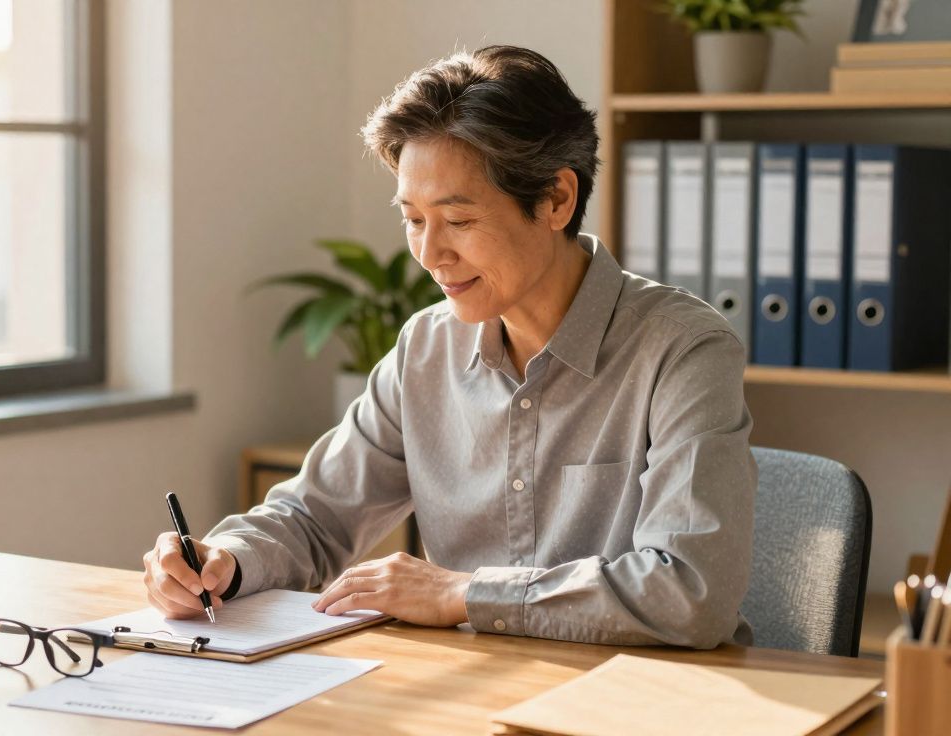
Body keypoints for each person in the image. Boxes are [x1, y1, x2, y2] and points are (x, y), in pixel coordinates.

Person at [142, 45, 755, 648]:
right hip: (474, 687)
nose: (430, 255)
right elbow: (315, 517)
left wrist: (465, 594)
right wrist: (226, 560)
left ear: (556, 200)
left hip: (638, 691)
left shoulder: (683, 350)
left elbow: (689, 593)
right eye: (413, 220)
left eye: (458, 221)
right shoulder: (426, 348)